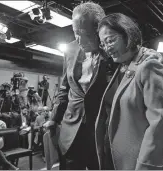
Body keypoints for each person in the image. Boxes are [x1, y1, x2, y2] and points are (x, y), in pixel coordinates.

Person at [44, 2, 116, 170]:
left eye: (82, 33)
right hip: (71, 130)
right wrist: (54, 119)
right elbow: (65, 88)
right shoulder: (70, 49)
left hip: (101, 131)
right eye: (75, 32)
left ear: (98, 30)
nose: (78, 39)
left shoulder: (112, 50)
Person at [96, 13, 163, 170]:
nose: (107, 48)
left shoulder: (150, 66)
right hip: (114, 158)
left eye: (110, 40)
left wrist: (146, 165)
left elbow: (158, 125)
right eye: (103, 43)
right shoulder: (123, 66)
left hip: (136, 162)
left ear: (128, 34)